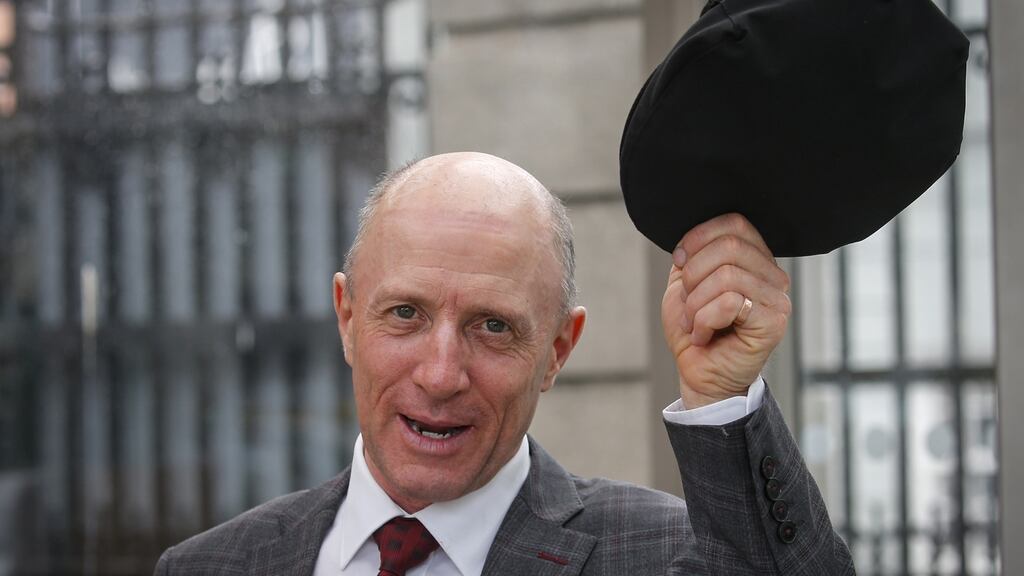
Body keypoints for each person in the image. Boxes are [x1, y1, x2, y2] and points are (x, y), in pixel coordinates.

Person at [155, 151, 854, 575]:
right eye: (405, 314)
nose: (440, 373)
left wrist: (721, 394)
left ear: (556, 351)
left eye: (493, 327)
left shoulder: (663, 555)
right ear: (346, 317)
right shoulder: (212, 566)